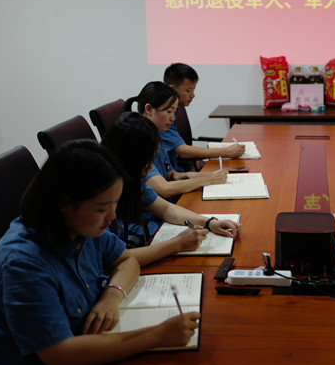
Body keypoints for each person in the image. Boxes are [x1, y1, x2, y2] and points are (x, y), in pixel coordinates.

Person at [0, 140, 199, 365]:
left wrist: (111, 297)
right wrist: (157, 335)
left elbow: (126, 260)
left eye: (114, 204)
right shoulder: (23, 263)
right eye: (103, 208)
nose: (112, 217)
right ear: (63, 203)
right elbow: (61, 356)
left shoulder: (81, 226)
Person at [101, 111, 241, 259]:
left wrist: (209, 222)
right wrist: (176, 244)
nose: (150, 168)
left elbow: (166, 209)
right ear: (130, 159)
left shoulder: (130, 179)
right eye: (146, 161)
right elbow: (117, 259)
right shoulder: (100, 194)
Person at [123, 81, 228, 200]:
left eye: (174, 112)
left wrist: (206, 176)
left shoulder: (157, 135)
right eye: (169, 112)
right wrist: (207, 179)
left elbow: (172, 175)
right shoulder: (138, 142)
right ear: (149, 109)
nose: (173, 118)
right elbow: (164, 189)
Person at [161, 63, 245, 171]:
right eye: (188, 90)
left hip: (181, 168)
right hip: (176, 171)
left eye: (193, 90)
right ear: (172, 90)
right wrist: (226, 152)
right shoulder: (162, 116)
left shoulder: (176, 108)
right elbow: (182, 151)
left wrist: (196, 158)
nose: (193, 95)